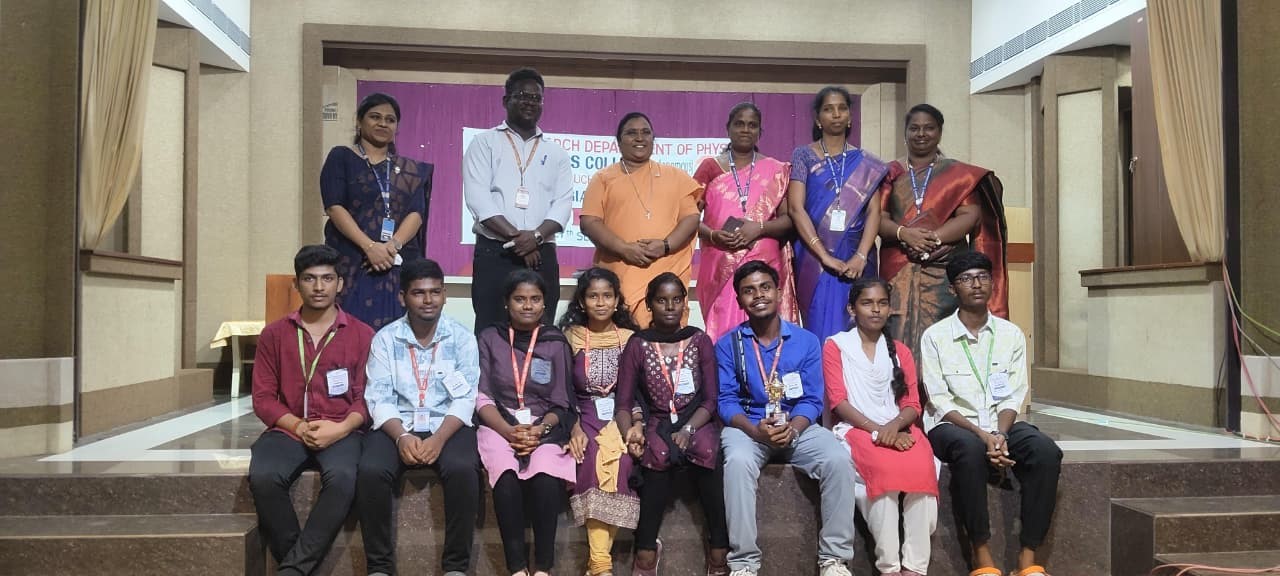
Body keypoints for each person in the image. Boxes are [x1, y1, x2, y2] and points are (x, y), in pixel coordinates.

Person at [920, 252, 1060, 576]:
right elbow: (939, 400)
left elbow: (1014, 393)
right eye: (967, 279)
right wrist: (984, 436)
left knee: (1046, 452)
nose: (976, 284)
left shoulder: (1011, 334)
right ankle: (981, 555)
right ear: (953, 289)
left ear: (992, 283)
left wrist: (999, 434)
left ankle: (1028, 559)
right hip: (952, 424)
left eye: (983, 276)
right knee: (969, 451)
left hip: (1001, 424)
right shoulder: (935, 337)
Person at [716, 260, 857, 576]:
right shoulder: (728, 345)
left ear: (779, 293)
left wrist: (792, 429)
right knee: (737, 463)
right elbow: (726, 401)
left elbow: (811, 399)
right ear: (739, 300)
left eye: (765, 287)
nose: (758, 295)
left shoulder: (806, 341)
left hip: (797, 426)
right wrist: (755, 431)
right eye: (749, 291)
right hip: (750, 427)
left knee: (837, 459)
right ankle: (743, 564)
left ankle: (834, 560)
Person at [248, 245, 373, 575]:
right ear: (296, 284)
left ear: (340, 284)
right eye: (309, 279)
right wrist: (297, 426)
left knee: (344, 478)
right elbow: (263, 398)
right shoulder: (274, 334)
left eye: (327, 279)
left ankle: (292, 569)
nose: (319, 287)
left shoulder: (362, 335)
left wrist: (342, 428)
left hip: (341, 429)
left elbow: (367, 398)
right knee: (264, 476)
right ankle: (299, 566)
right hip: (289, 429)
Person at [357, 258, 481, 576]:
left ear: (444, 295)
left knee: (463, 468)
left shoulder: (462, 338)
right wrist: (401, 437)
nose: (428, 300)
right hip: (398, 424)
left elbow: (465, 397)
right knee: (371, 470)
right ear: (403, 297)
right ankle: (379, 567)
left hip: (446, 424)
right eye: (418, 293)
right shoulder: (385, 339)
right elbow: (379, 397)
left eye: (435, 292)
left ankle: (455, 567)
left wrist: (438, 439)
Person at [615, 273, 729, 576]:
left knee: (708, 451)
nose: (670, 306)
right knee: (656, 454)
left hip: (697, 418)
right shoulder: (638, 344)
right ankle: (646, 547)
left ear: (684, 303)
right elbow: (623, 403)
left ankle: (718, 545)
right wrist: (630, 433)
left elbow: (711, 399)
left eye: (676, 300)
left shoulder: (699, 340)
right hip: (656, 419)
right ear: (649, 304)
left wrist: (689, 429)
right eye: (661, 300)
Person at [824, 277, 937, 576]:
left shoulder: (900, 351)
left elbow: (912, 403)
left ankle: (915, 566)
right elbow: (839, 402)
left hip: (900, 428)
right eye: (867, 303)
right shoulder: (836, 346)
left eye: (882, 303)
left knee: (922, 467)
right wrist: (879, 431)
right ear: (852, 309)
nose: (876, 310)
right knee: (884, 471)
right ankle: (889, 566)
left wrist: (894, 427)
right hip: (856, 429)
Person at [879, 104, 1008, 361]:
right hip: (898, 266)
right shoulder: (889, 173)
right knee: (896, 329)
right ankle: (902, 385)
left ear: (939, 132)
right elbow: (878, 218)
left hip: (943, 269)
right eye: (914, 128)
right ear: (905, 132)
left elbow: (970, 215)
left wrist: (932, 239)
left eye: (929, 128)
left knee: (944, 332)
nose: (921, 134)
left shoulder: (958, 175)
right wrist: (905, 234)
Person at [475, 269, 578, 576]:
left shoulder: (555, 342)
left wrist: (539, 430)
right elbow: (481, 396)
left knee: (546, 479)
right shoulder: (490, 338)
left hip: (544, 426)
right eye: (520, 299)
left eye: (535, 299)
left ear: (545, 303)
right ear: (506, 303)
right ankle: (517, 568)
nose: (528, 306)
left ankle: (543, 568)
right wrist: (509, 431)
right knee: (505, 479)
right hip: (499, 423)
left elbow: (562, 402)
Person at [464, 67, 574, 333]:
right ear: (506, 101)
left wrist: (535, 237)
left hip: (541, 253)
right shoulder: (484, 143)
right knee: (491, 329)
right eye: (522, 96)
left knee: (541, 330)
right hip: (496, 251)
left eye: (536, 98)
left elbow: (562, 205)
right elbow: (479, 199)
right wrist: (520, 239)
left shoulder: (556, 153)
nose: (530, 102)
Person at [322, 92, 433, 330]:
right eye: (375, 117)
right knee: (351, 331)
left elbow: (416, 213)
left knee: (397, 332)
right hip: (352, 261)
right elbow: (334, 206)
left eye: (390, 120)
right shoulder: (341, 157)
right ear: (359, 122)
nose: (383, 123)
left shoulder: (409, 170)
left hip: (396, 262)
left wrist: (391, 247)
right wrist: (370, 247)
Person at [788, 86, 891, 343]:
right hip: (815, 258)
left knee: (859, 326)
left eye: (842, 108)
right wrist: (824, 256)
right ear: (817, 119)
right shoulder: (803, 155)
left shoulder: (866, 162)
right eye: (828, 109)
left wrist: (860, 256)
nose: (836, 114)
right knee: (819, 328)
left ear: (850, 116)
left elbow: (874, 211)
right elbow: (795, 208)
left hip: (857, 257)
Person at [580, 112, 702, 328]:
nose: (639, 138)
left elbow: (691, 218)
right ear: (618, 141)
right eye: (631, 133)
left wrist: (665, 245)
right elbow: (589, 222)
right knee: (623, 337)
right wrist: (624, 249)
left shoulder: (676, 177)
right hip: (620, 277)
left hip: (665, 283)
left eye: (646, 133)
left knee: (665, 340)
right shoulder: (603, 178)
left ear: (653, 139)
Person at [558, 267, 640, 576]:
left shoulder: (630, 339)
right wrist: (574, 427)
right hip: (582, 415)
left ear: (618, 300)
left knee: (623, 461)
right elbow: (563, 390)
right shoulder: (570, 338)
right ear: (582, 301)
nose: (601, 302)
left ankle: (598, 565)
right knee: (589, 458)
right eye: (593, 296)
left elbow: (639, 391)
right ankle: (602, 566)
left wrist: (636, 424)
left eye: (607, 296)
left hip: (622, 414)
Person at [694, 102, 799, 341]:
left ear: (760, 131)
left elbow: (788, 220)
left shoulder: (776, 170)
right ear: (728, 128)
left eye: (752, 125)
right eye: (739, 124)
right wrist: (713, 235)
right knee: (724, 330)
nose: (745, 129)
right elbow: (688, 217)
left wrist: (759, 228)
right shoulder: (710, 167)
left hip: (765, 261)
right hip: (721, 262)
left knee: (765, 325)